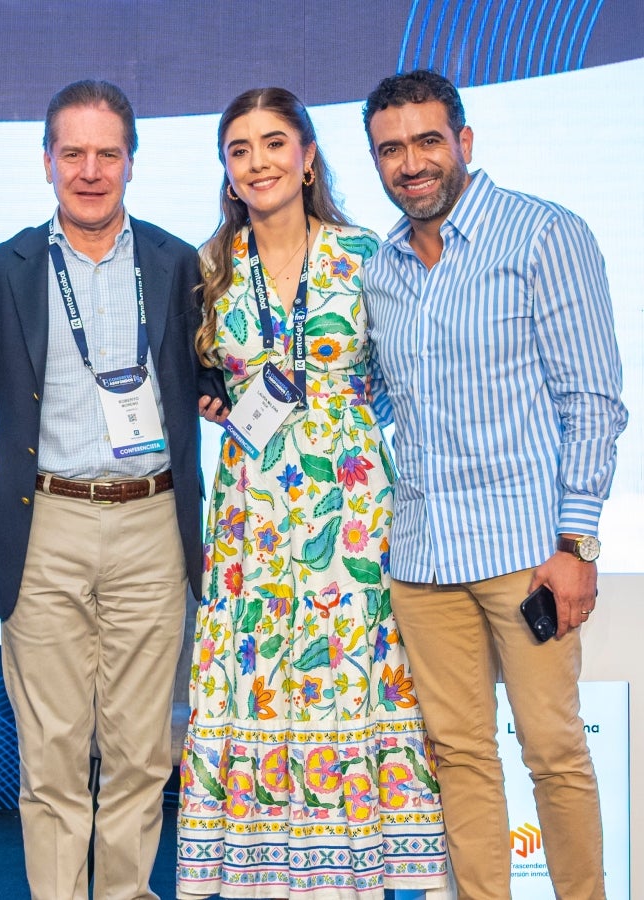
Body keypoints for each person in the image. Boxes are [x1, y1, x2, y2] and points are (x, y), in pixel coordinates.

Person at [362, 69, 626, 899]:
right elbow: (367, 396)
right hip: (423, 564)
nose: (411, 163)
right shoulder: (380, 269)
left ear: (464, 143)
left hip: (525, 557)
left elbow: (592, 398)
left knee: (554, 751)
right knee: (461, 759)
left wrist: (575, 543)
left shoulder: (544, 235)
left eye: (427, 141)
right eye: (391, 149)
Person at [177, 87, 447, 899]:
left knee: (350, 677)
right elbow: (200, 377)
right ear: (228, 173)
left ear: (307, 158)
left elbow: (409, 378)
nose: (257, 162)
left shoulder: (368, 253)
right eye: (239, 150)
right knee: (255, 676)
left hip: (353, 516)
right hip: (251, 519)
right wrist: (211, 395)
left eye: (272, 144)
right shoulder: (210, 268)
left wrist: (346, 431)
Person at [0, 79, 227, 899]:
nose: (88, 171)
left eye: (105, 154)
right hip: (45, 527)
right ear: (46, 162)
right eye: (71, 153)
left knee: (143, 753)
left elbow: (213, 373)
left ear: (131, 163)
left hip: (151, 522)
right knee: (51, 759)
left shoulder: (179, 262)